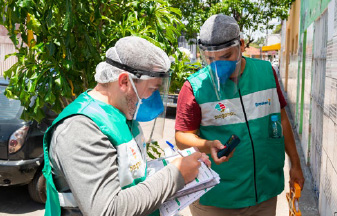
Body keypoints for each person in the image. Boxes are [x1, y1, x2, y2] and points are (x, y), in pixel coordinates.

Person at [42, 36, 210, 216]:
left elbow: (131, 176)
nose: (153, 99)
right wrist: (175, 174)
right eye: (152, 89)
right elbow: (107, 210)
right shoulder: (80, 128)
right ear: (124, 82)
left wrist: (174, 164)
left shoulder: (123, 115)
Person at [175, 14, 305, 216]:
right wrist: (206, 145)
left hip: (263, 195)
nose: (218, 65)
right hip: (217, 200)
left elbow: (281, 118)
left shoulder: (266, 73)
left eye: (226, 56)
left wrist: (295, 164)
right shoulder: (194, 87)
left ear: (241, 45)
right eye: (210, 58)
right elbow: (182, 137)